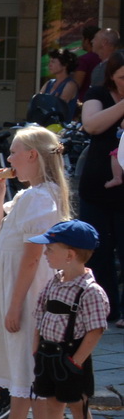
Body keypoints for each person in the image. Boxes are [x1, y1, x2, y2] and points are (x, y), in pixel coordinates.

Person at [0, 126, 69, 419]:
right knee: (19, 359)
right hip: (14, 287)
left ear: (31, 156)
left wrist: (14, 305)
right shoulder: (29, 195)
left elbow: (30, 258)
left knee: (31, 361)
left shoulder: (42, 197)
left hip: (26, 291)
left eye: (14, 152)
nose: (9, 158)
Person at [19, 220, 108, 419]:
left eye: (50, 249)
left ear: (69, 254)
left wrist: (76, 361)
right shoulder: (53, 283)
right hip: (47, 356)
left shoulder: (90, 291)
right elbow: (39, 316)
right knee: (51, 406)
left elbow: (95, 330)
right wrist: (36, 349)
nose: (45, 253)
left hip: (71, 359)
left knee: (79, 407)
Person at [79, 53, 124, 318]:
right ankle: (105, 310)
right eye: (121, 78)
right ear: (111, 76)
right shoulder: (98, 93)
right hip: (98, 186)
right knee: (98, 251)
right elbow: (92, 126)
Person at [31, 50, 80, 125]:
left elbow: (58, 107)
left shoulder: (70, 85)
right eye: (49, 62)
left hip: (60, 128)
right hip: (45, 125)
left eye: (53, 62)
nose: (49, 65)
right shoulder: (49, 83)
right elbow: (38, 101)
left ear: (65, 65)